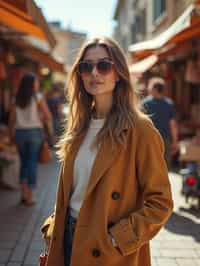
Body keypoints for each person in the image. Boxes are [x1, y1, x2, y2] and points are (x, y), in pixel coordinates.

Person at [41, 37, 173, 266]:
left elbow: (161, 202)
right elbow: (72, 192)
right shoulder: (78, 126)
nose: (94, 73)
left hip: (108, 249)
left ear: (119, 72)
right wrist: (52, 227)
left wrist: (117, 238)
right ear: (79, 75)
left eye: (103, 65)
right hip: (67, 238)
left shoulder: (139, 129)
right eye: (86, 66)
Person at [8, 73, 53, 205]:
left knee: (23, 162)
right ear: (32, 84)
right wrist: (40, 119)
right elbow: (48, 115)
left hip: (19, 133)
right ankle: (30, 196)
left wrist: (11, 135)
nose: (37, 84)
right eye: (36, 82)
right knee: (32, 162)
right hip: (34, 133)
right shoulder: (37, 97)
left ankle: (23, 193)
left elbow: (11, 119)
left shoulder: (16, 97)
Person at [142, 77, 179, 168]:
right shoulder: (169, 103)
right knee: (165, 164)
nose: (148, 89)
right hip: (165, 138)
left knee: (149, 164)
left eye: (150, 87)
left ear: (154, 89)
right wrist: (175, 141)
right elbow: (173, 124)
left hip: (149, 139)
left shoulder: (145, 103)